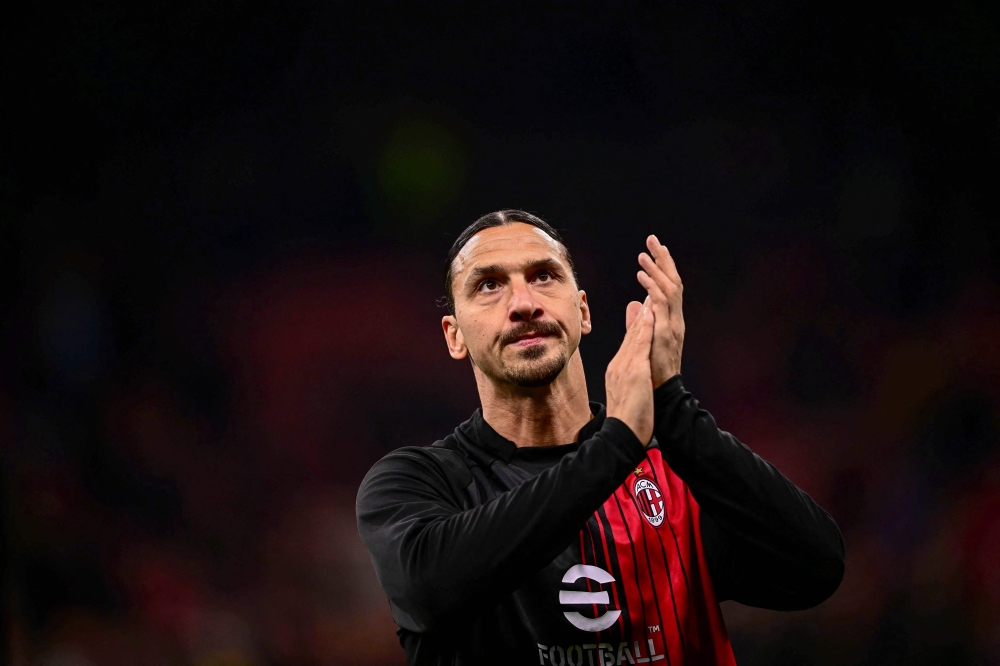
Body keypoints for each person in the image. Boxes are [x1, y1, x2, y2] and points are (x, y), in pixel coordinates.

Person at [356, 210, 845, 665]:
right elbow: (429, 590)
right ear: (454, 335)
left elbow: (814, 570)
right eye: (488, 285)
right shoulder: (416, 482)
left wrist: (672, 408)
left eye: (544, 276)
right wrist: (617, 444)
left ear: (583, 311)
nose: (524, 303)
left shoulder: (675, 471)